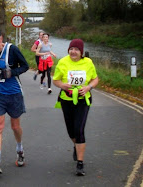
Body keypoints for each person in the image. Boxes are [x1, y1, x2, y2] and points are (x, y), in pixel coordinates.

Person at [0, 27, 29, 174]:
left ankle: (20, 148)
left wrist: (11, 72)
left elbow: (25, 66)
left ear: (1, 38)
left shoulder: (12, 50)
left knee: (15, 127)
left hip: (14, 93)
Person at [53, 39, 99, 176]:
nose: (73, 52)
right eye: (71, 49)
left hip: (83, 100)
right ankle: (76, 145)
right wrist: (62, 85)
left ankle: (80, 163)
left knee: (79, 130)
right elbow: (56, 80)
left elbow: (95, 79)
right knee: (71, 131)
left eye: (76, 49)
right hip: (66, 100)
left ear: (81, 52)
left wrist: (88, 87)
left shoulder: (88, 63)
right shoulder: (63, 62)